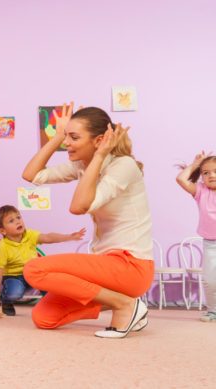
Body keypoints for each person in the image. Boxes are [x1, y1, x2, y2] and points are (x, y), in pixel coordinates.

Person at [21, 103, 154, 339]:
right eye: (66, 136)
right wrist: (56, 136)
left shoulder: (123, 165)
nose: (66, 143)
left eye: (73, 137)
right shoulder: (82, 165)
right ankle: (125, 302)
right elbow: (32, 175)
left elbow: (78, 207)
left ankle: (125, 306)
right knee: (44, 317)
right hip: (105, 268)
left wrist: (101, 154)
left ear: (99, 140)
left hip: (131, 266)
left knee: (34, 269)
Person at [0, 205, 85, 319]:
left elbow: (48, 237)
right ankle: (6, 300)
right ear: (3, 230)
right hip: (13, 277)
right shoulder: (2, 247)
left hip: (32, 273)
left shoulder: (29, 235)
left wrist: (68, 237)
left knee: (50, 284)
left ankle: (53, 306)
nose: (17, 222)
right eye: (11, 221)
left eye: (18, 217)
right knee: (14, 293)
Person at [176, 151, 216, 321]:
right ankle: (213, 310)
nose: (211, 175)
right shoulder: (201, 191)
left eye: (215, 171)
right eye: (205, 172)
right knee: (210, 280)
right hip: (211, 244)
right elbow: (181, 179)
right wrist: (195, 164)